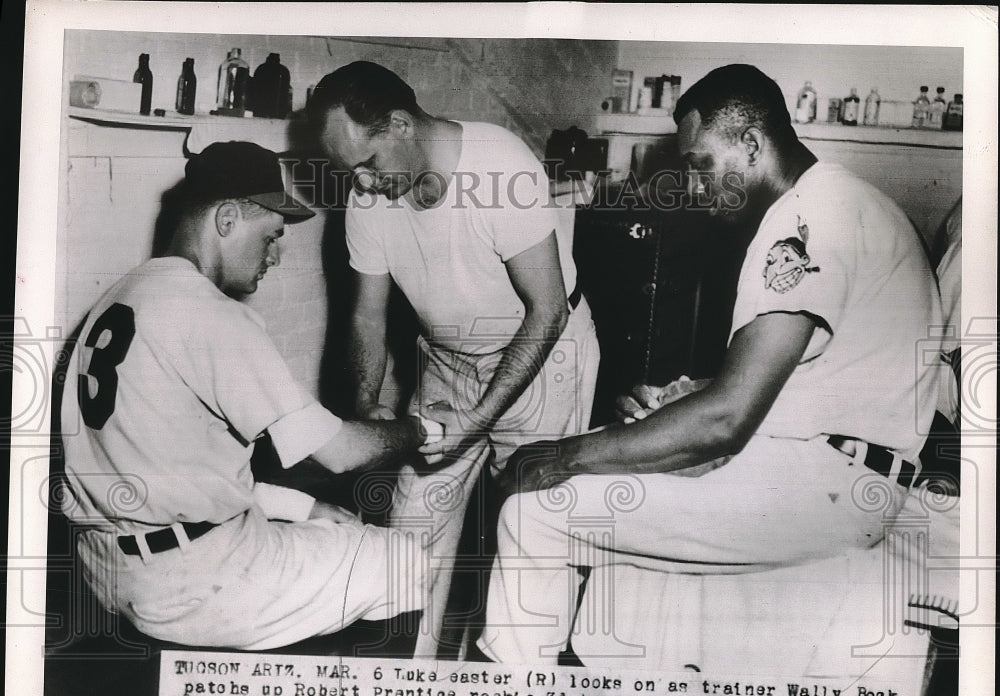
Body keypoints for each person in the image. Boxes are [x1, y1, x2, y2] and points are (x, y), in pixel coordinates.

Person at [476, 64, 944, 665]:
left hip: (829, 488)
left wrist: (563, 455)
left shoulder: (810, 220)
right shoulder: (839, 199)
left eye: (701, 165)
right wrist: (677, 403)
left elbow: (726, 421)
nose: (694, 188)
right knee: (605, 467)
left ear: (751, 144)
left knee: (537, 509)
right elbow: (793, 383)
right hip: (834, 473)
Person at [60, 141, 442, 650]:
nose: (276, 255)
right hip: (192, 585)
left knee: (334, 529)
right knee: (406, 562)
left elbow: (178, 474)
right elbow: (341, 453)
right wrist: (420, 428)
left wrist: (303, 508)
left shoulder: (117, 298)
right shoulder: (211, 315)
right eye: (271, 236)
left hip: (106, 567)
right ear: (226, 219)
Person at [308, 61, 600, 656]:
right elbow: (366, 315)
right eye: (350, 174)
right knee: (409, 537)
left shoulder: (499, 166)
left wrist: (480, 419)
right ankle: (406, 695)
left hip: (544, 357)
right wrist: (368, 410)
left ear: (400, 124)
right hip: (447, 361)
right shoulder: (371, 199)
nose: (360, 186)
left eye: (366, 165)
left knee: (532, 531)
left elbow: (547, 312)